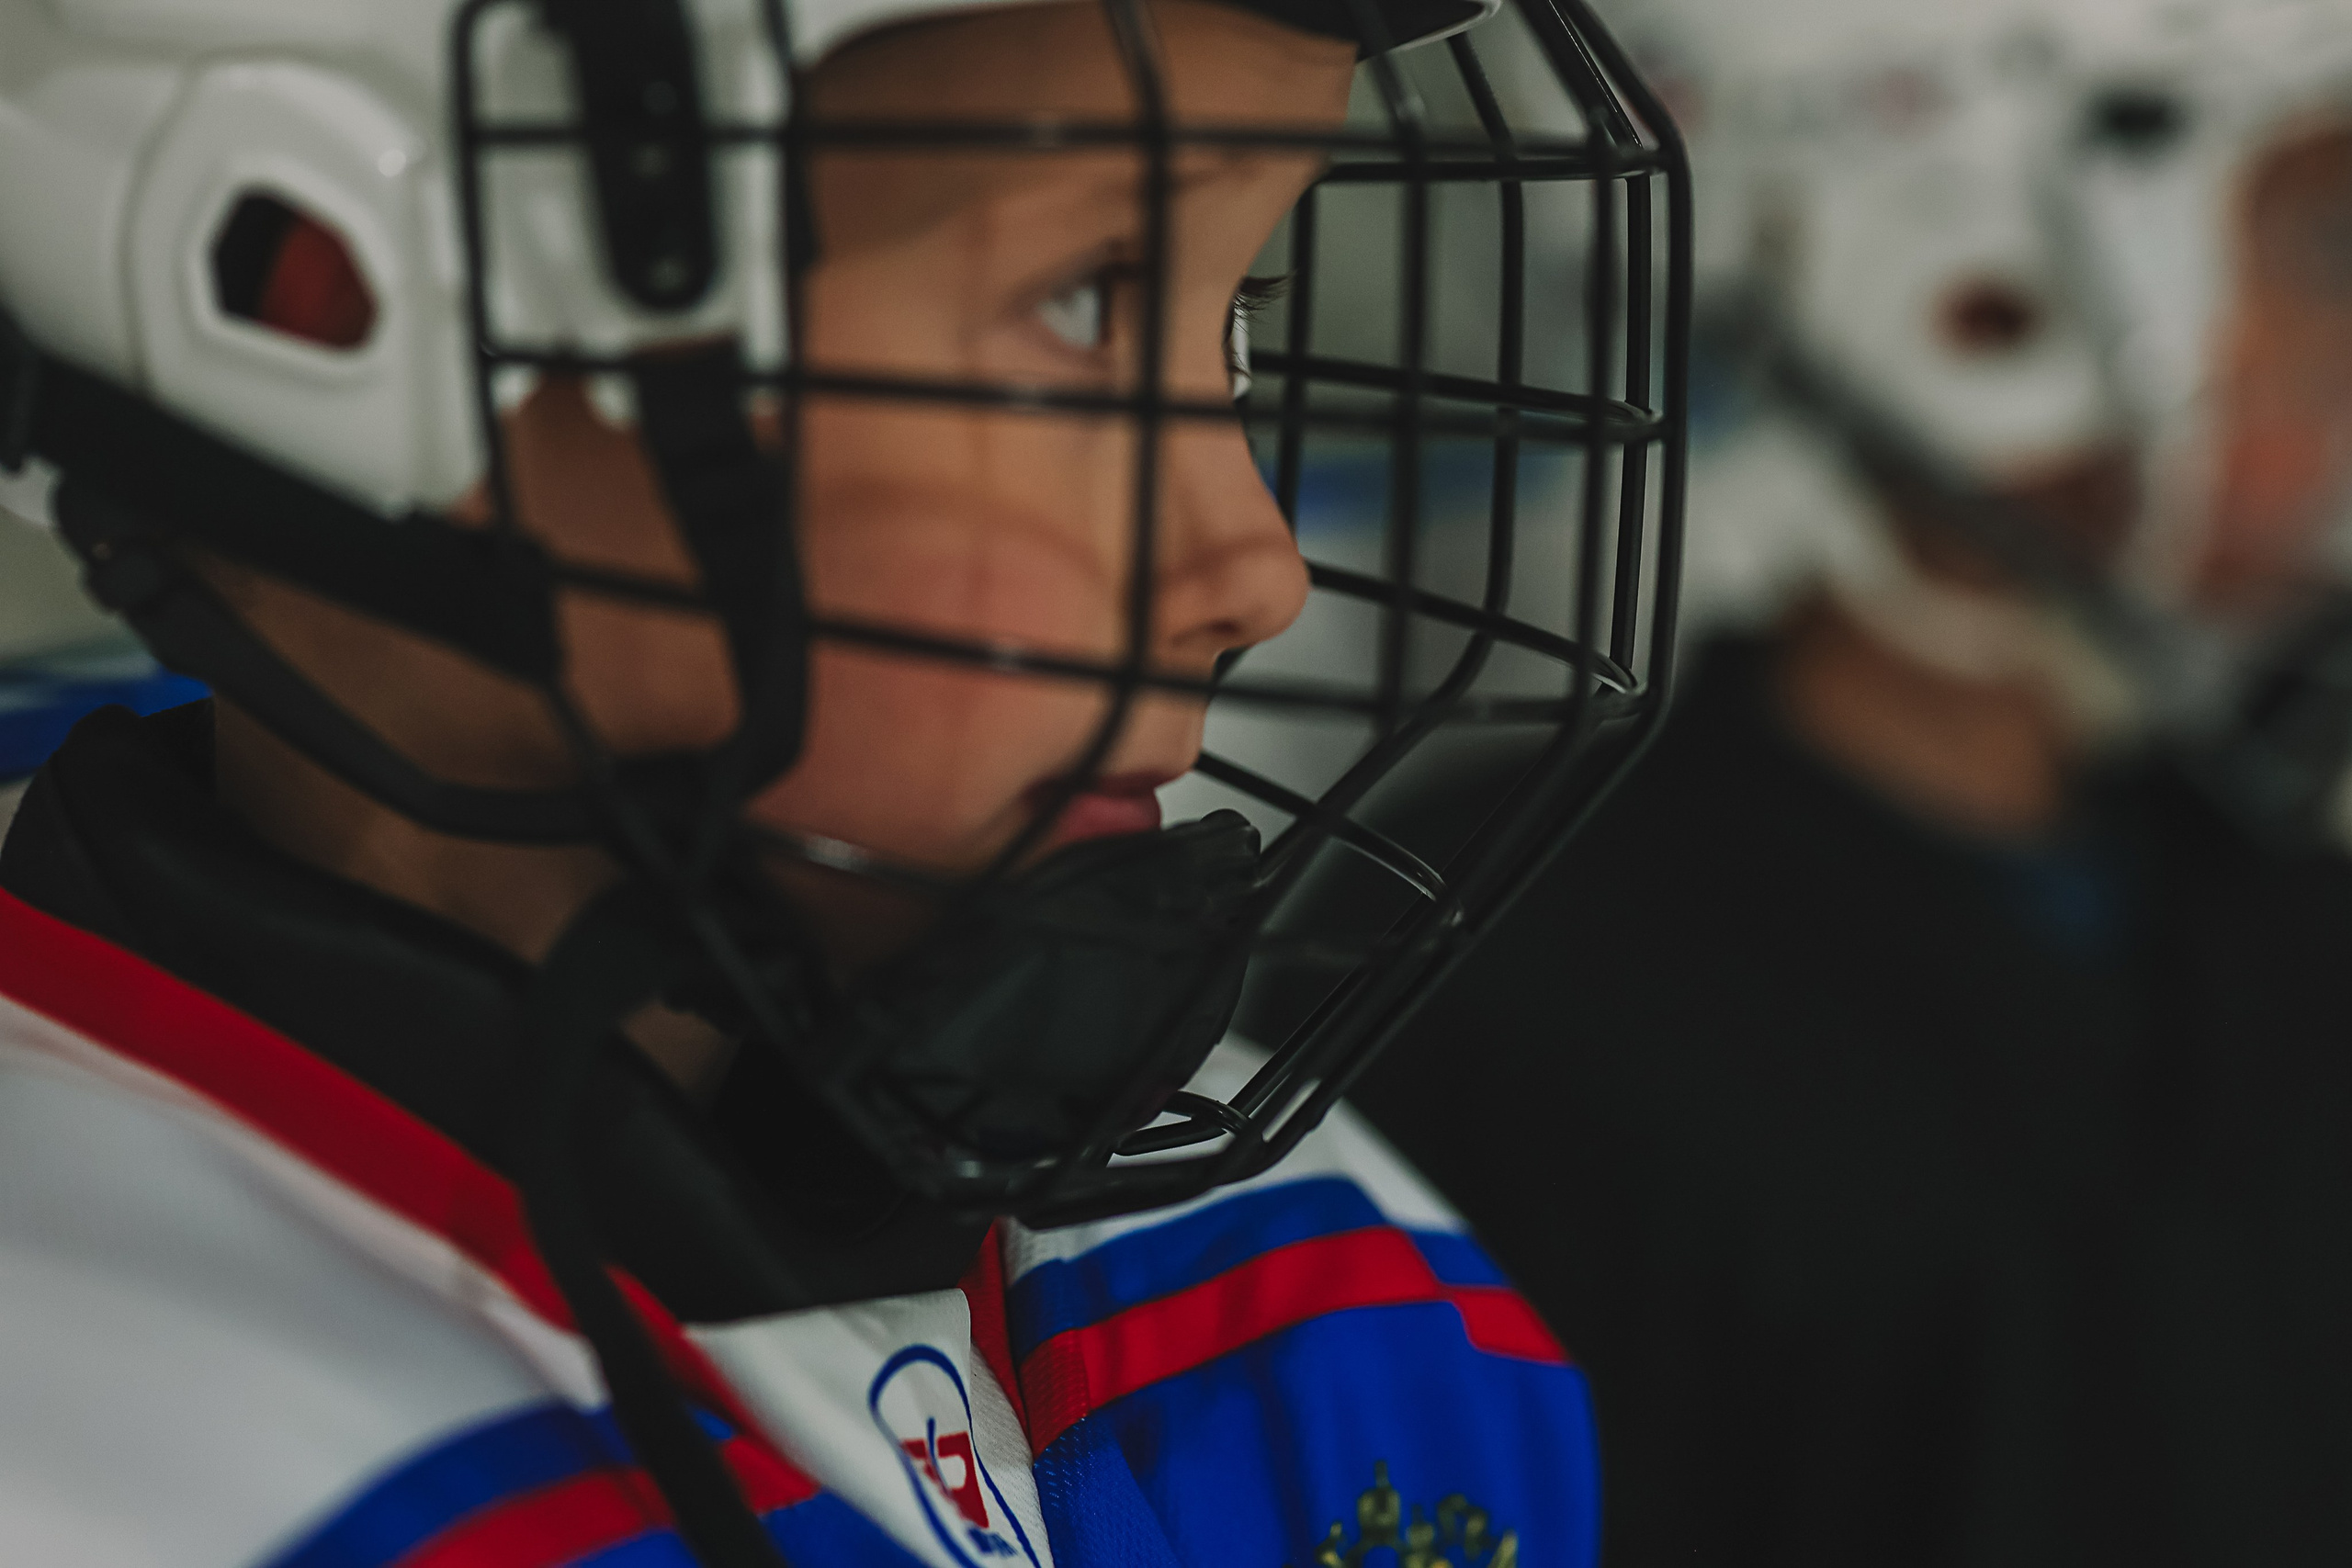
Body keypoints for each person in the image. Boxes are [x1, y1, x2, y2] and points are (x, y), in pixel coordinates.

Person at [0, 0, 1686, 1564]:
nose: (1256, 569)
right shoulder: (124, 1473)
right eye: (1083, 305)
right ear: (315, 294)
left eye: (1235, 322)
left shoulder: (1327, 1284)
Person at [1346, 0, 2352, 1562]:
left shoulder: (2269, 899)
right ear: (1972, 293)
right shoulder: (1482, 964)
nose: (2334, 345)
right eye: (2309, 254)